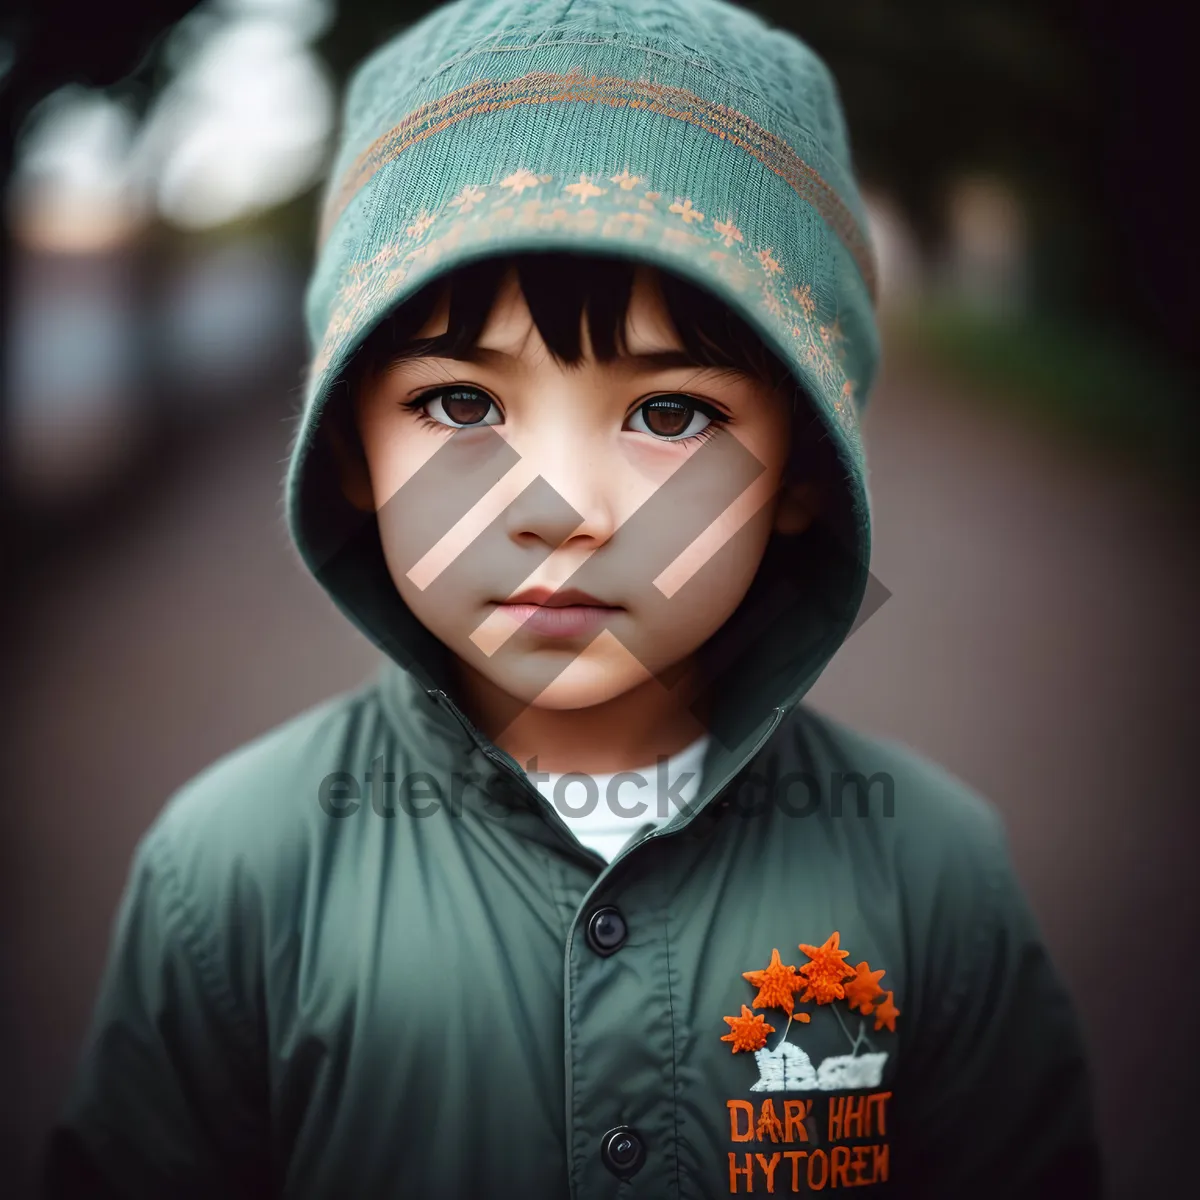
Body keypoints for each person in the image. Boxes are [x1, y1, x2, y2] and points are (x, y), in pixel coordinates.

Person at [43, 0, 1102, 1196]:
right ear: (351, 450)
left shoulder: (933, 871)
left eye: (669, 415)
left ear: (802, 470)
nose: (562, 507)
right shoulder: (229, 872)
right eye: (460, 405)